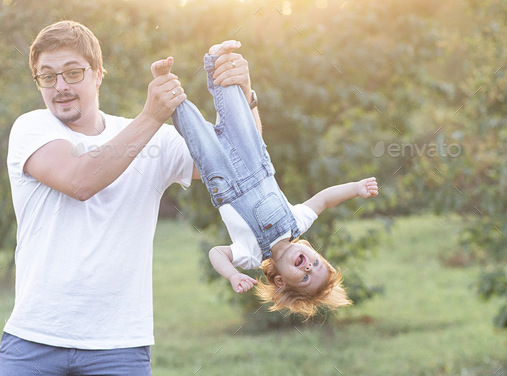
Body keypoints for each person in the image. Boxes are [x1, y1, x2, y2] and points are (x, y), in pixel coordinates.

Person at [0, 21, 259, 376]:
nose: (61, 87)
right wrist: (152, 115)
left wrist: (242, 96)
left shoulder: (158, 140)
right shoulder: (32, 128)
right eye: (47, 77)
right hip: (34, 338)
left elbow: (241, 166)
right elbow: (80, 180)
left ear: (99, 74)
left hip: (119, 344)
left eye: (73, 73)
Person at [158, 41, 379, 320]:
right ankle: (218, 59)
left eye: (306, 277)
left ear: (281, 282)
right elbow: (324, 199)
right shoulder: (296, 222)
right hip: (254, 157)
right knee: (237, 111)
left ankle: (166, 84)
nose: (309, 266)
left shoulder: (250, 256)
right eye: (317, 263)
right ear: (312, 251)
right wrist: (356, 189)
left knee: (193, 128)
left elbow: (217, 253)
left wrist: (232, 275)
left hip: (222, 178)